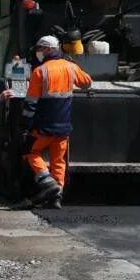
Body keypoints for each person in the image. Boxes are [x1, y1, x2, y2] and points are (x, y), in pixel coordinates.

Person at [22, 34, 92, 208]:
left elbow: (30, 103)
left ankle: (48, 184)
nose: (38, 52)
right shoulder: (70, 67)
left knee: (30, 152)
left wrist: (25, 124)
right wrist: (74, 67)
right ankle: (56, 198)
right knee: (58, 161)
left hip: (43, 127)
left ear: (48, 50)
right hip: (63, 127)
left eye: (40, 48)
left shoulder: (40, 71)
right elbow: (87, 83)